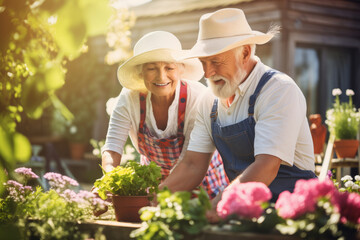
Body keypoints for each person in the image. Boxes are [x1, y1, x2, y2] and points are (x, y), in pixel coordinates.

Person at [159, 8, 317, 219]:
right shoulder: (209, 101)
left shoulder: (278, 90)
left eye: (215, 61)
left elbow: (266, 166)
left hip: (293, 214)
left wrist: (217, 206)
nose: (207, 73)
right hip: (244, 211)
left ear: (245, 53)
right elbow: (192, 164)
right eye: (203, 63)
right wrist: (155, 200)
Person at [101, 31, 228, 200]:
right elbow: (112, 148)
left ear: (181, 69)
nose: (161, 76)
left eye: (169, 68)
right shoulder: (128, 98)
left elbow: (189, 162)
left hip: (200, 177)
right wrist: (109, 180)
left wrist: (157, 196)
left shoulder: (198, 99)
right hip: (155, 183)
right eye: (152, 68)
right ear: (140, 72)